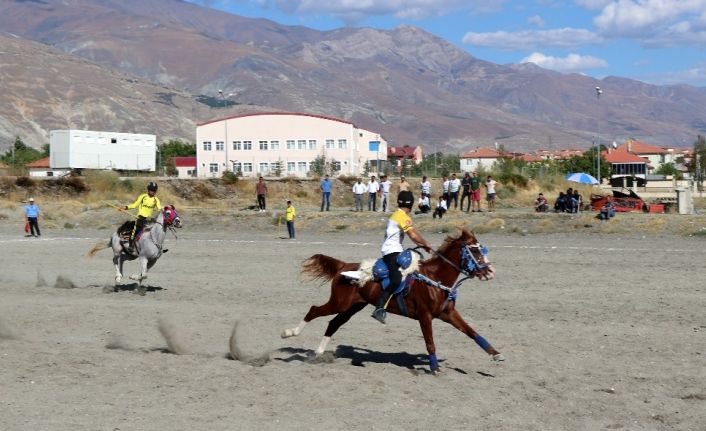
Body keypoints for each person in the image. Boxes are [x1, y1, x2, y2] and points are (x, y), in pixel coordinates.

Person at [371, 191, 433, 324]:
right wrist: (426, 244)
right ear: (410, 205)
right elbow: (413, 235)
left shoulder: (398, 215)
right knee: (396, 279)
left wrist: (422, 245)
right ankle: (379, 307)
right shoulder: (401, 216)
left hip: (396, 250)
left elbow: (414, 233)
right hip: (391, 252)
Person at [118, 181, 161, 254]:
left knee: (156, 232)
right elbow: (134, 205)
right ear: (148, 190)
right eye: (151, 190)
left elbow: (159, 208)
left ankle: (156, 246)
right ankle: (130, 246)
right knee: (136, 231)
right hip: (141, 218)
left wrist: (165, 209)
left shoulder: (156, 200)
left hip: (149, 220)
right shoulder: (143, 197)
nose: (152, 192)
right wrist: (125, 207)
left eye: (154, 190)